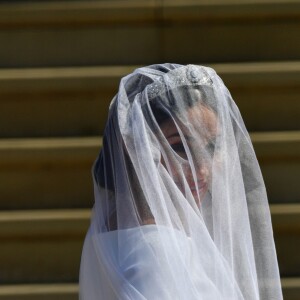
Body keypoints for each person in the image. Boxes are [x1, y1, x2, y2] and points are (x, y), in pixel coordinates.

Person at [79, 64, 283, 299]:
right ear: (138, 150)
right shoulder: (155, 246)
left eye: (211, 147)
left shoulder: (118, 226)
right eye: (179, 147)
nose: (202, 168)